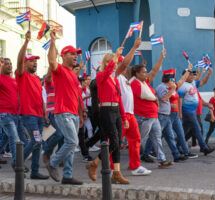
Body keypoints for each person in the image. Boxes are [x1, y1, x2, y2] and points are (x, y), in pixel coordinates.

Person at [87, 46, 131, 184]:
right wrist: (115, 56)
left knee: (117, 143)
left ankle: (116, 173)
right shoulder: (101, 76)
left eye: (116, 63)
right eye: (113, 62)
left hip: (116, 111)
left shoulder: (115, 80)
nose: (115, 65)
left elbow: (119, 100)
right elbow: (105, 73)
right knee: (114, 141)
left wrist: (124, 118)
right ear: (106, 63)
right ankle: (95, 163)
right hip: (106, 112)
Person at [46, 30, 84, 185]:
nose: (75, 56)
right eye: (72, 54)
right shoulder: (59, 70)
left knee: (71, 145)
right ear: (63, 56)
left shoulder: (74, 75)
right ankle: (53, 163)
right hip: (63, 112)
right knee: (72, 142)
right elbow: (51, 61)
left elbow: (77, 97)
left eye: (76, 54)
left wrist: (81, 115)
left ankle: (67, 175)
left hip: (74, 114)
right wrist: (53, 42)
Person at [130, 49, 174, 168]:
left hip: (153, 117)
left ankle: (162, 160)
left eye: (146, 72)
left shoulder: (145, 83)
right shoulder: (135, 83)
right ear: (137, 74)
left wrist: (161, 58)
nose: (146, 74)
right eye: (143, 72)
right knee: (138, 140)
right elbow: (141, 95)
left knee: (157, 139)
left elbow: (154, 71)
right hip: (143, 117)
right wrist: (154, 99)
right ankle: (133, 163)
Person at [114, 37, 151, 175]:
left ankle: (135, 166)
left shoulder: (124, 78)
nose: (124, 66)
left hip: (130, 115)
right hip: (120, 115)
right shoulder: (115, 75)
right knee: (115, 142)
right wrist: (134, 47)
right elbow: (124, 64)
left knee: (135, 139)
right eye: (119, 63)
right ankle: (110, 168)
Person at [16, 31, 49, 179]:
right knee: (35, 141)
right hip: (28, 115)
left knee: (38, 144)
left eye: (36, 61)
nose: (35, 63)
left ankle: (34, 172)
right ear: (25, 63)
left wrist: (45, 113)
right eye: (31, 61)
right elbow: (19, 60)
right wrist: (26, 42)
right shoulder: (21, 75)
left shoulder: (36, 79)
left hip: (39, 116)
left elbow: (40, 98)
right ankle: (18, 163)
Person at [177, 68, 215, 156]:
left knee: (184, 130)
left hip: (192, 111)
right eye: (190, 74)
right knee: (197, 128)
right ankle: (204, 147)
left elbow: (202, 82)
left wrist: (208, 74)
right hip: (187, 111)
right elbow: (180, 100)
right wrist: (180, 113)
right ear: (185, 76)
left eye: (193, 75)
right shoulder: (183, 86)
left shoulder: (193, 83)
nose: (192, 76)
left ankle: (177, 146)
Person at [163, 66, 198, 159]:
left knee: (181, 133)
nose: (173, 80)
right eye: (171, 78)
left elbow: (182, 80)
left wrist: (189, 70)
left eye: (174, 78)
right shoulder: (165, 88)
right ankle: (149, 151)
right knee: (162, 133)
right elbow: (161, 100)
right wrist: (171, 105)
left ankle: (186, 152)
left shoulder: (175, 87)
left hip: (175, 114)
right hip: (168, 114)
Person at [0, 57, 18, 169]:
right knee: (14, 138)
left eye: (11, 63)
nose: (9, 65)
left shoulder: (13, 80)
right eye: (6, 63)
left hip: (15, 114)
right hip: (4, 113)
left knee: (6, 138)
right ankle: (17, 164)